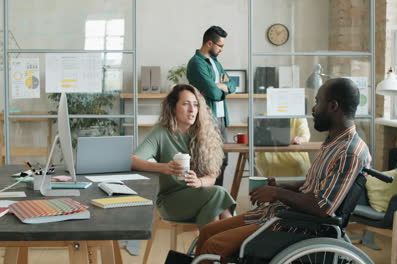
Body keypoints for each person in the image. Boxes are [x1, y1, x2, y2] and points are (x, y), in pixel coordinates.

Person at [194, 78, 372, 262]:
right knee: (207, 231)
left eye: (318, 101)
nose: (313, 108)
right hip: (278, 214)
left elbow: (322, 208)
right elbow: (314, 185)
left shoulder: (349, 152)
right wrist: (280, 187)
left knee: (213, 246)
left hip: (296, 226)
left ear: (333, 106)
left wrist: (277, 193)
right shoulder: (334, 142)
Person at [132, 84, 236, 228]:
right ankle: (226, 247)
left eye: (195, 105)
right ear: (173, 108)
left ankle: (214, 246)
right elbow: (133, 160)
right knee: (219, 195)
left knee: (216, 202)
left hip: (201, 195)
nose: (192, 110)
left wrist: (199, 182)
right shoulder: (161, 133)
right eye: (186, 104)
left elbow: (211, 178)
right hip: (171, 202)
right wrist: (164, 168)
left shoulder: (204, 135)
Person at [186, 25, 236, 186]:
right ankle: (210, 203)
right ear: (209, 43)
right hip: (207, 120)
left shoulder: (216, 63)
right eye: (220, 46)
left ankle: (219, 202)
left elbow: (233, 85)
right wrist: (221, 86)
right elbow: (213, 94)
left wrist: (219, 85)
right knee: (208, 164)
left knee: (223, 161)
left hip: (221, 119)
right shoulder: (196, 63)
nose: (222, 49)